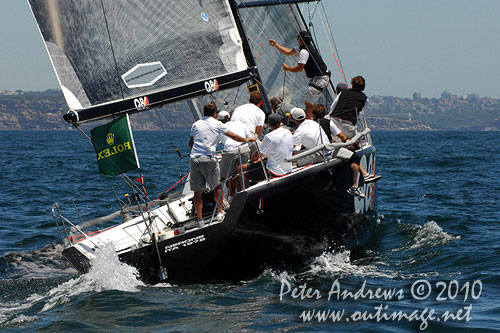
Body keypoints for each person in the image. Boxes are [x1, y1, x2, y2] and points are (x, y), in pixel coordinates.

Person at [189, 102, 254, 224]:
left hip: (194, 159)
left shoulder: (196, 124)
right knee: (217, 187)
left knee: (197, 191)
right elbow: (234, 136)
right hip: (208, 159)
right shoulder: (217, 124)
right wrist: (246, 139)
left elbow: (191, 144)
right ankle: (219, 213)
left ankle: (200, 220)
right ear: (214, 114)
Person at [269, 31, 329, 120]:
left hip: (320, 79)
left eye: (297, 38)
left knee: (308, 102)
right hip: (320, 78)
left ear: (300, 39)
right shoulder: (305, 48)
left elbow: (299, 68)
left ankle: (308, 122)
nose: (297, 40)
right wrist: (276, 45)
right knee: (308, 102)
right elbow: (289, 52)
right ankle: (309, 120)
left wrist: (288, 68)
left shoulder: (304, 51)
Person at [237, 113, 294, 187]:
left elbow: (258, 154)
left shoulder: (269, 137)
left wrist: (251, 162)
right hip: (288, 168)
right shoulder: (288, 132)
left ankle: (246, 191)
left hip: (275, 171)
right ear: (280, 123)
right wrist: (264, 157)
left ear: (269, 124)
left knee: (241, 168)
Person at [217, 110, 251, 201]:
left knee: (227, 176)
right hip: (244, 149)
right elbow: (249, 137)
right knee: (242, 171)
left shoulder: (220, 127)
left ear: (219, 121)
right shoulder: (241, 124)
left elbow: (216, 142)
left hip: (230, 151)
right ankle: (244, 191)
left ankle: (231, 196)